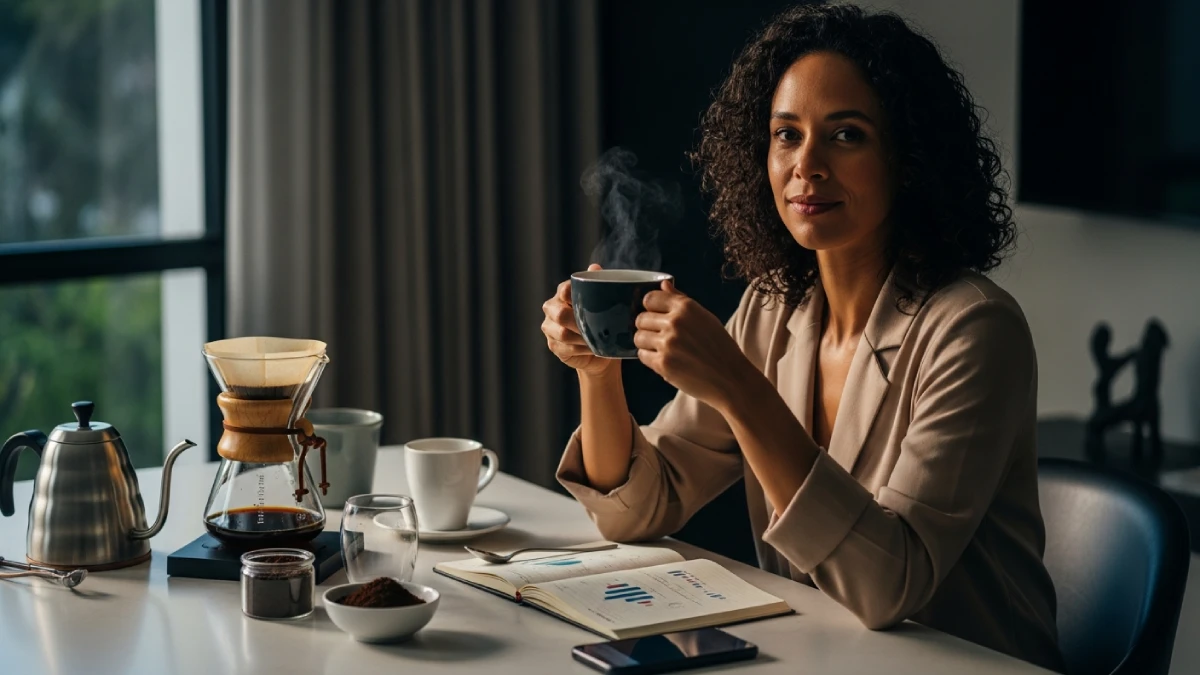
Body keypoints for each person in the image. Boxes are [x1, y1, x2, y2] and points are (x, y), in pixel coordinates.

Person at [540, 4, 1064, 672]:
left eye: (846, 135)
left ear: (908, 158)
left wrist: (736, 385)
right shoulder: (772, 309)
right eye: (786, 135)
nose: (806, 165)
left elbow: (887, 585)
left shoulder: (973, 330)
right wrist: (597, 369)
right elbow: (638, 508)